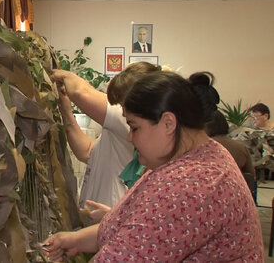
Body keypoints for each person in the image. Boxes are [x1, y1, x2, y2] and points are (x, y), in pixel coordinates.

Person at [43, 71, 263, 262]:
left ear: (168, 123)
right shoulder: (200, 156)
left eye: (134, 127)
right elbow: (136, 228)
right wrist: (75, 240)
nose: (130, 138)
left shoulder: (190, 187)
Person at [52, 62, 161, 210]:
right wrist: (65, 110)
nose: (121, 109)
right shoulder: (123, 124)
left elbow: (80, 92)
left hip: (110, 211)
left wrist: (60, 74)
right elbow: (87, 152)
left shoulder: (128, 119)